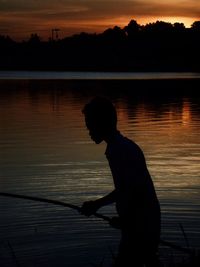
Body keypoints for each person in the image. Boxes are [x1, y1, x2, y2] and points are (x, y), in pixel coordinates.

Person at [81, 96, 161, 267]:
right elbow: (128, 190)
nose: (88, 130)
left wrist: (96, 205)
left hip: (141, 224)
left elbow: (130, 190)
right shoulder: (120, 146)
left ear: (101, 123)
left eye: (89, 124)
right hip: (141, 221)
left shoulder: (119, 150)